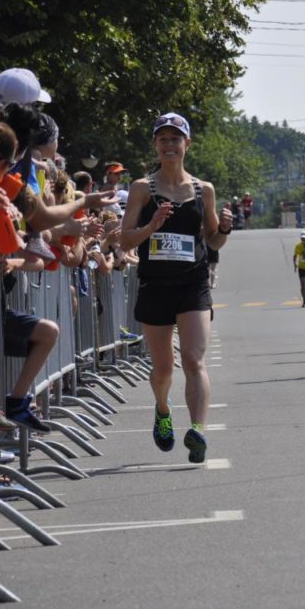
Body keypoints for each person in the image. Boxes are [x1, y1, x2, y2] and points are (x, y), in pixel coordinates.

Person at [120, 112, 233, 463]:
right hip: (156, 284)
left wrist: (225, 228)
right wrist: (152, 225)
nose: (170, 145)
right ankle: (163, 408)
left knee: (193, 359)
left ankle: (198, 429)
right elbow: (124, 241)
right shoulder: (142, 188)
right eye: (163, 139)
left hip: (193, 283)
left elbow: (212, 242)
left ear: (187, 144)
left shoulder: (204, 190)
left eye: (176, 138)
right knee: (164, 369)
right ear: (155, 145)